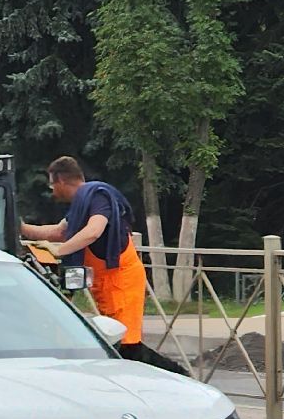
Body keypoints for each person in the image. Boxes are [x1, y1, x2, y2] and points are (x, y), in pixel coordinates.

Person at [20, 156, 187, 376]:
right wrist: (19, 227)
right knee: (115, 344)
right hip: (106, 283)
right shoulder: (81, 205)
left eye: (52, 185)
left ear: (60, 180)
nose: (52, 191)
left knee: (127, 347)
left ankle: (179, 377)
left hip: (121, 281)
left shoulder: (97, 196)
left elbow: (94, 231)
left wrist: (60, 251)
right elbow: (58, 233)